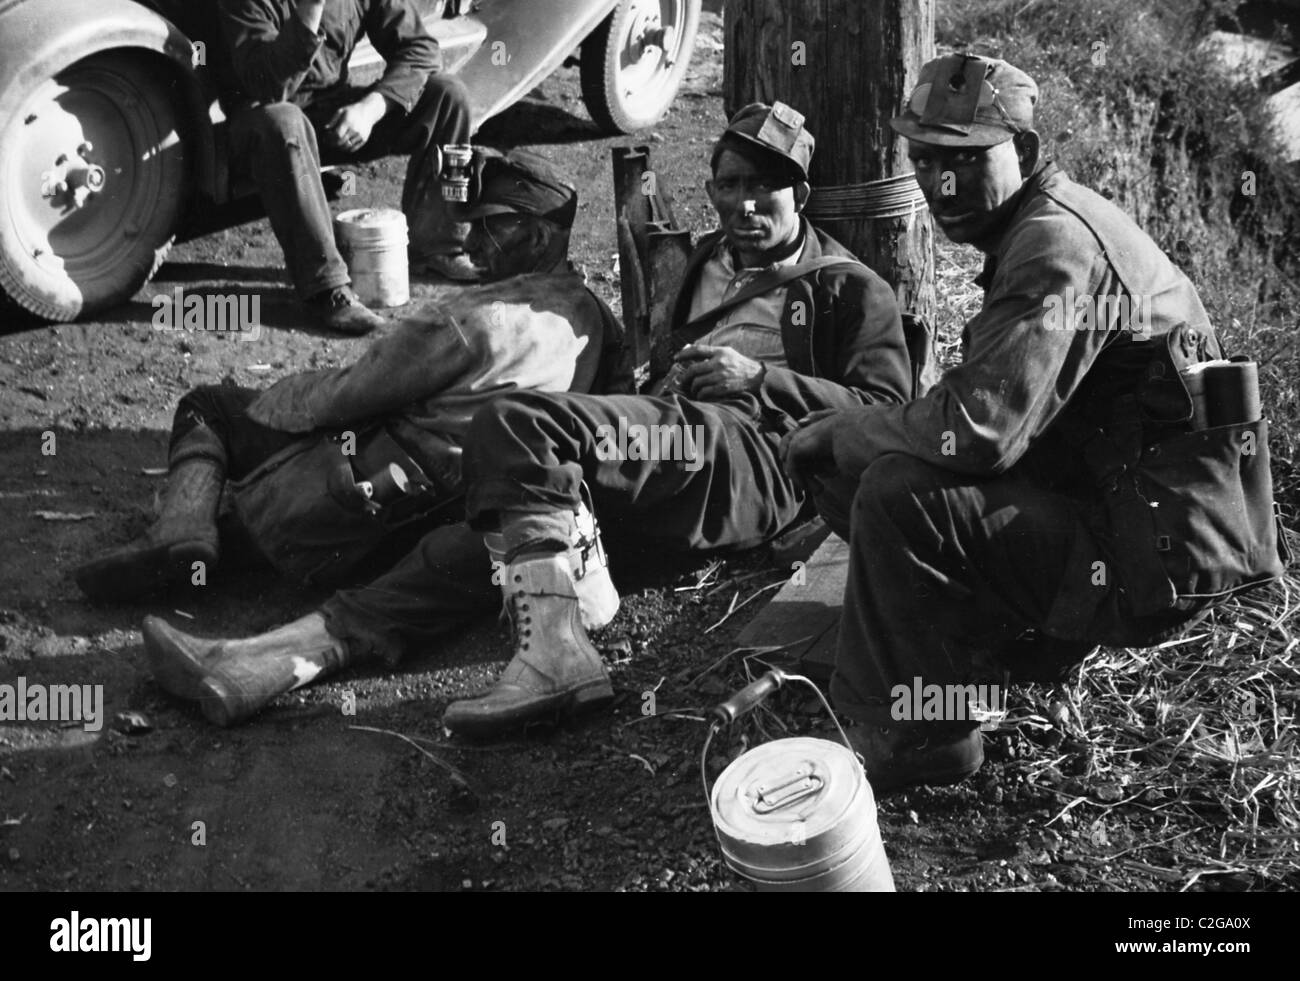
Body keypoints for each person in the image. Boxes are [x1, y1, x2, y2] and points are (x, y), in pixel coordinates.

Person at [780, 54, 1286, 793]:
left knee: (892, 488)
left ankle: (927, 732)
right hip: (1121, 508)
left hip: (1150, 560)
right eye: (924, 158)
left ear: (1022, 150)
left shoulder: (1056, 244)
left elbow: (979, 432)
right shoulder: (1038, 224)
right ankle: (984, 646)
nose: (939, 182)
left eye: (962, 158)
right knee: (862, 469)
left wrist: (845, 429)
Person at [77, 152, 636, 725]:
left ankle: (183, 529)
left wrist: (281, 402)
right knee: (401, 585)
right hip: (465, 513)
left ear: (539, 234)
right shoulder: (598, 319)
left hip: (368, 499)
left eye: (492, 225)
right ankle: (244, 648)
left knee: (212, 406)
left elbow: (348, 395)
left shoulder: (478, 318)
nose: (472, 241)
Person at [438, 101, 914, 738]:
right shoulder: (708, 259)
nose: (744, 205)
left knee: (520, 425)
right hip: (675, 437)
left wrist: (762, 379)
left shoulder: (849, 288)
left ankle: (560, 660)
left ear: (799, 192)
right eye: (730, 186)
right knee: (464, 537)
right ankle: (302, 653)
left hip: (758, 456)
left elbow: (885, 411)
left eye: (763, 186)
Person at [218, 0, 482, 336]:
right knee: (284, 121)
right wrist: (309, 13)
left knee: (448, 95)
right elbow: (268, 87)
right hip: (259, 121)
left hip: (332, 113)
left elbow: (421, 48)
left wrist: (371, 108)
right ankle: (326, 289)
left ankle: (439, 244)